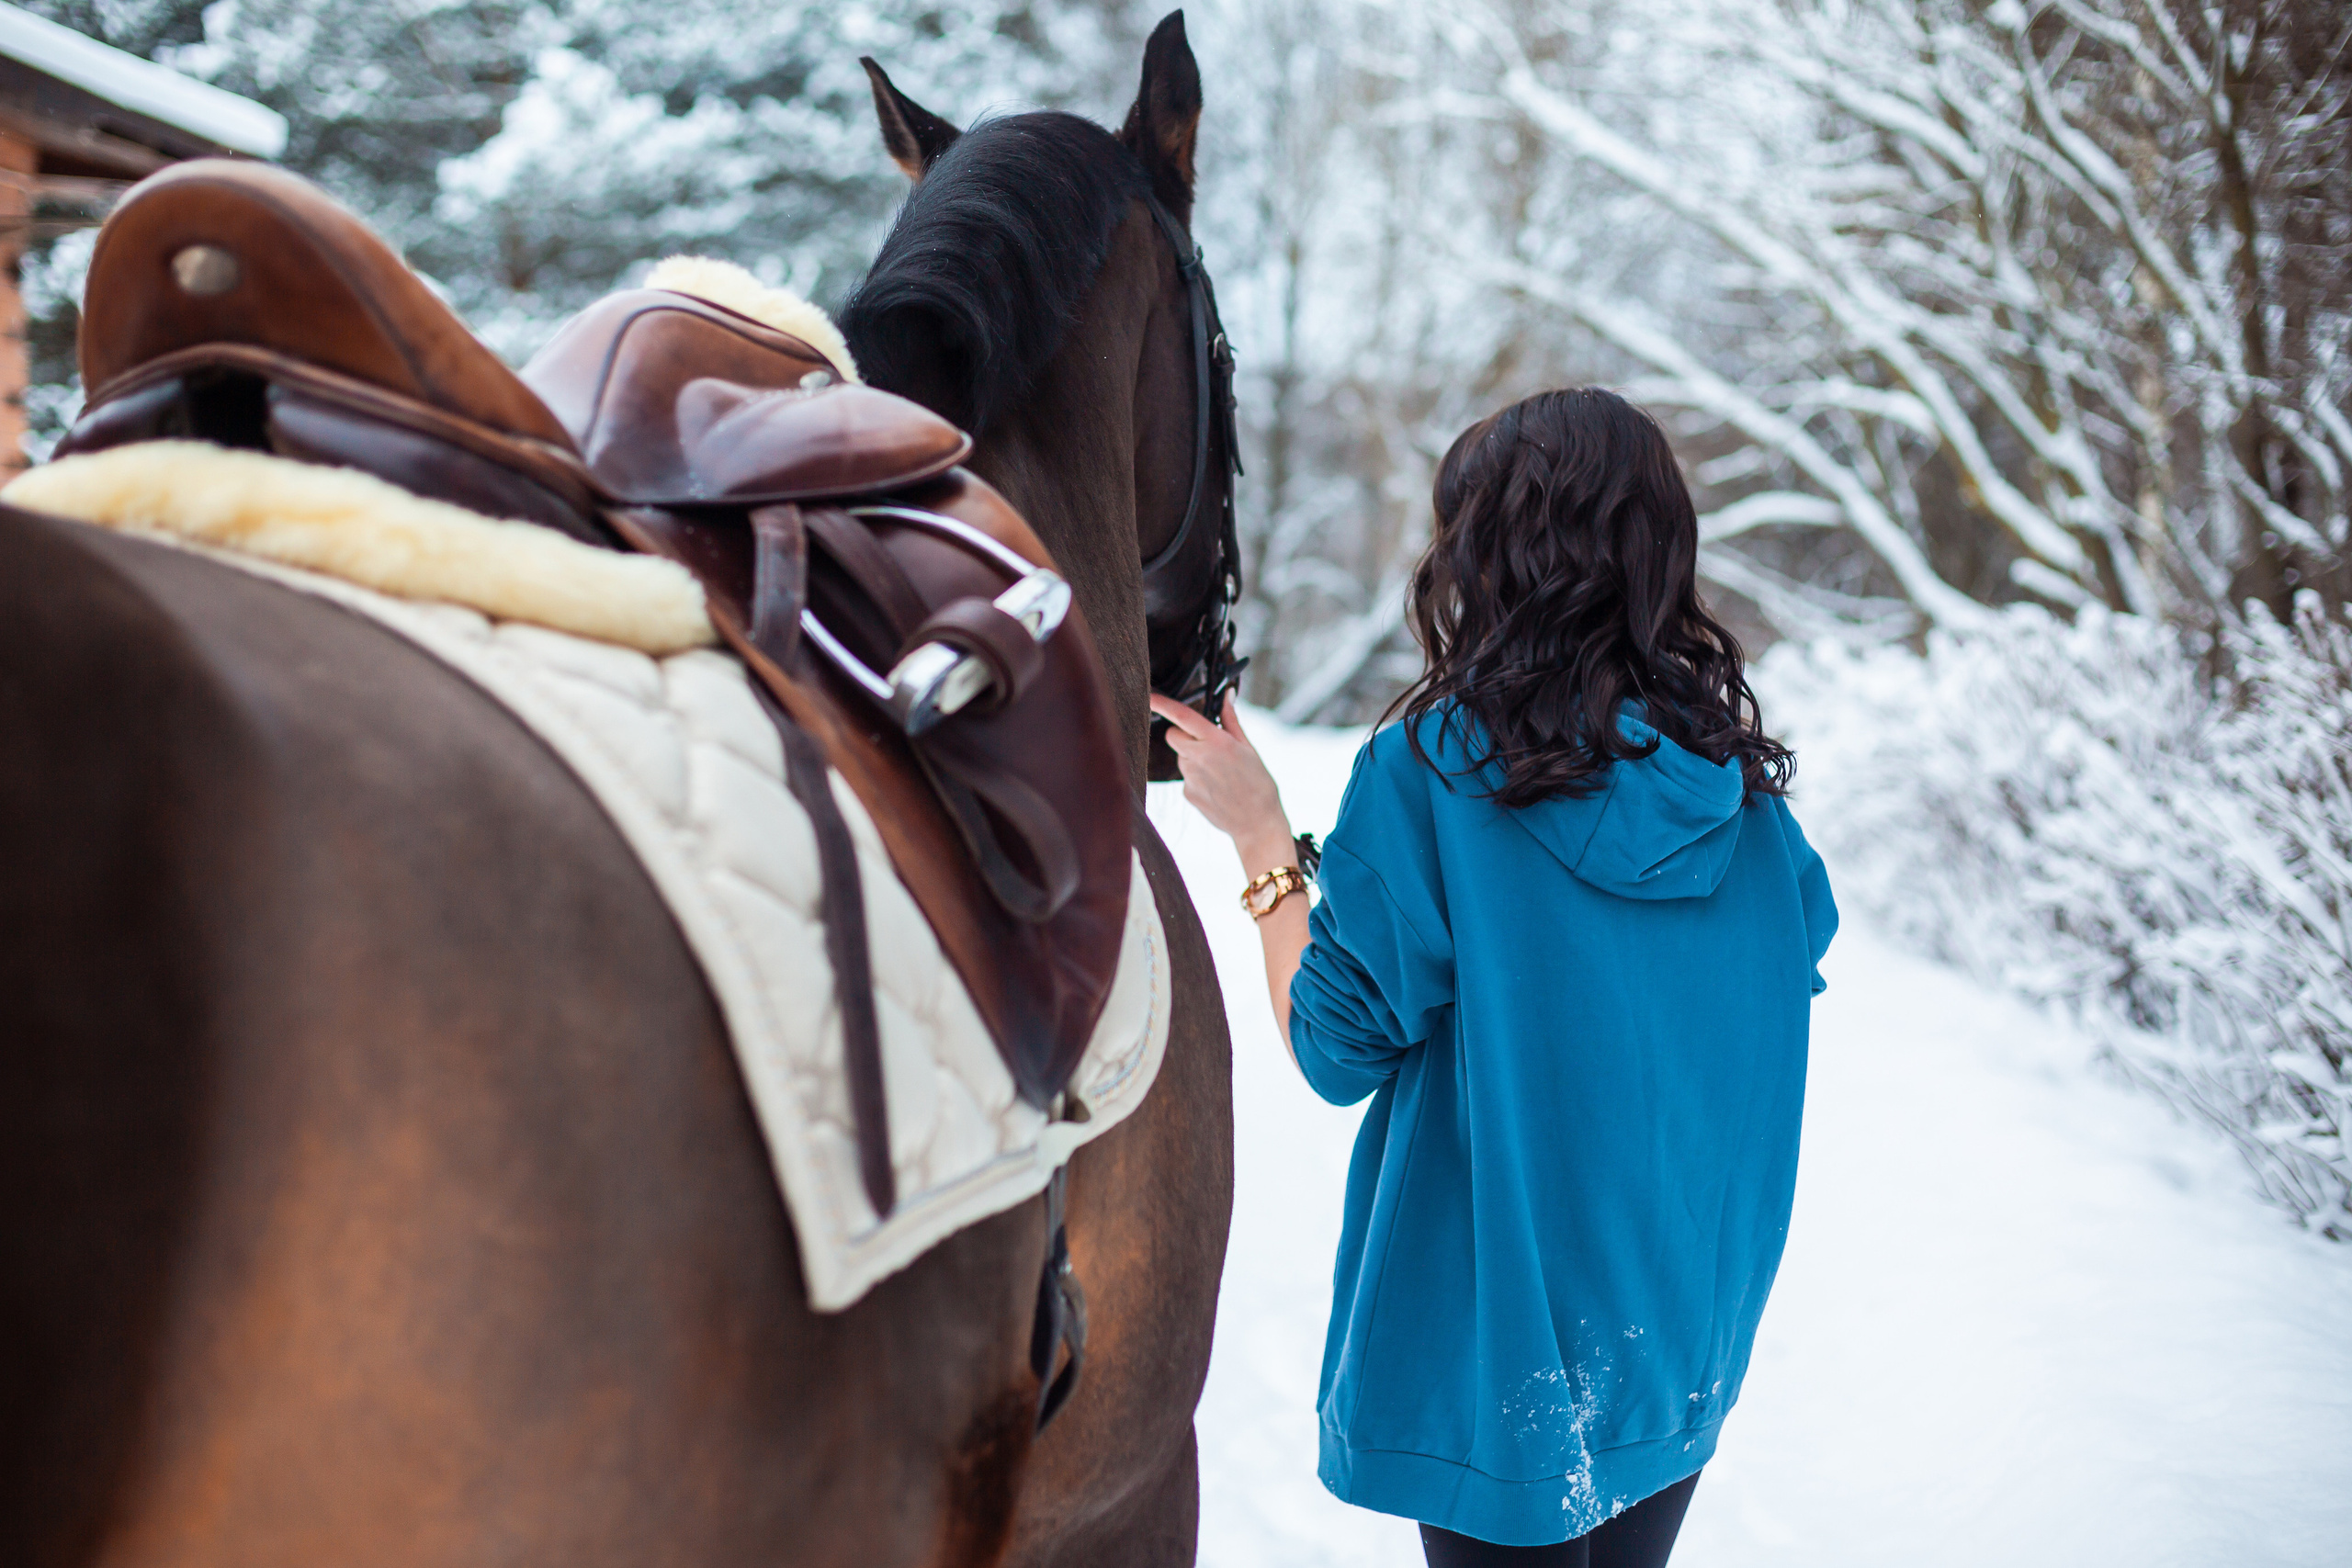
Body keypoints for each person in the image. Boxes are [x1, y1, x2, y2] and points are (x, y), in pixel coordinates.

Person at [1150, 388, 1837, 1568]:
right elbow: (1770, 978)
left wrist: (1264, 842)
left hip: (1502, 1359)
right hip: (1675, 1337)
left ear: (1484, 555)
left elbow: (1330, 1049)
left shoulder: (1436, 773)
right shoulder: (1748, 803)